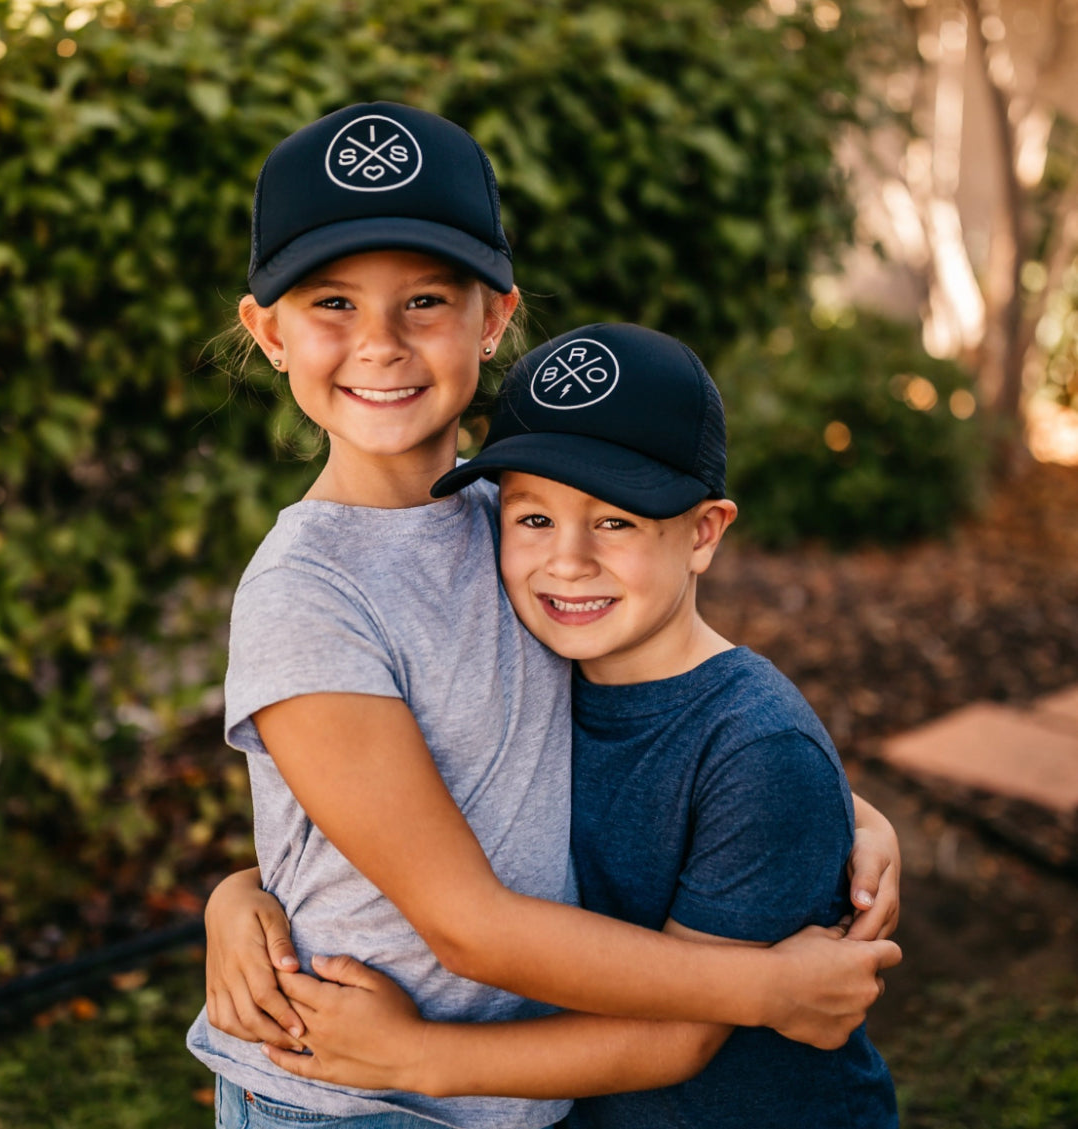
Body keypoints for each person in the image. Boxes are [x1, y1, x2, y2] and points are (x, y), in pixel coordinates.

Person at [187, 101, 901, 1129]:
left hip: (512, 1085)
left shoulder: (523, 527)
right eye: (331, 302)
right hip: (353, 1092)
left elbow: (675, 699)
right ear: (269, 333)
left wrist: (848, 819)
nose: (379, 344)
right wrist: (771, 990)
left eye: (425, 300)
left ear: (494, 320)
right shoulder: (309, 593)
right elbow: (465, 920)